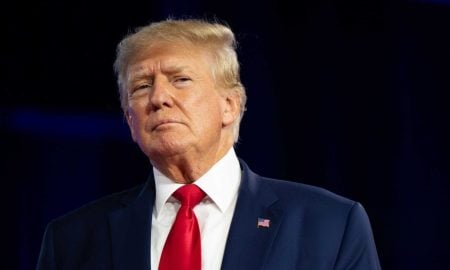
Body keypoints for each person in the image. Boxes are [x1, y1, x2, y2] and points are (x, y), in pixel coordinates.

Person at [36, 18, 381, 270]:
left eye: (180, 80)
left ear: (230, 105)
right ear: (130, 120)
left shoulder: (329, 224)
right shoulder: (72, 241)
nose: (158, 98)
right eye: (141, 86)